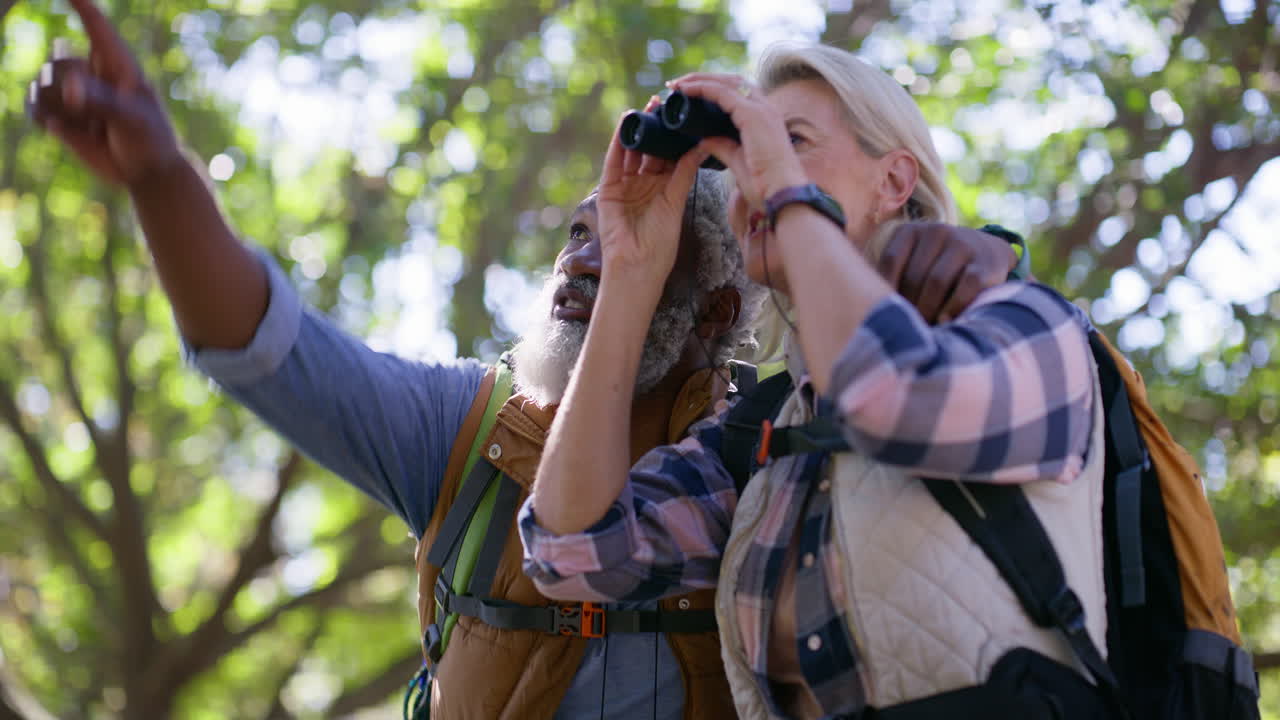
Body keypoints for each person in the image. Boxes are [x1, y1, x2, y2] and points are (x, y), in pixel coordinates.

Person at [27, 3, 1023, 717]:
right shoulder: (467, 429)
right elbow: (268, 345)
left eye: (635, 239)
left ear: (718, 306)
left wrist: (943, 264)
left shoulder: (757, 462)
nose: (589, 253)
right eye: (578, 232)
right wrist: (161, 178)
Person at [521, 43, 1116, 720]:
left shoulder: (1027, 325)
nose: (753, 179)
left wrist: (787, 194)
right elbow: (573, 553)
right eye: (743, 157)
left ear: (894, 183)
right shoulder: (766, 433)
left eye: (790, 141)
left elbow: (888, 397)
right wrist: (633, 267)